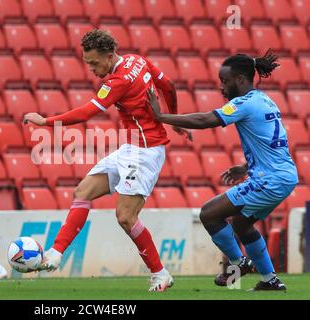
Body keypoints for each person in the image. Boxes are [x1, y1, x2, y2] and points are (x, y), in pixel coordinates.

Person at [23, 29, 192, 292]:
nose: (91, 68)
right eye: (86, 63)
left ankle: (160, 274)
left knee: (125, 216)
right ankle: (55, 253)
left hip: (146, 151)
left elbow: (87, 112)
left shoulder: (118, 81)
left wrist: (46, 122)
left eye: (93, 62)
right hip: (130, 147)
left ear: (110, 55)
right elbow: (167, 85)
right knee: (83, 191)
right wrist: (174, 118)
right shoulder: (138, 60)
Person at [147, 50, 298, 291]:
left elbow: (206, 120)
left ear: (240, 79)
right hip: (285, 176)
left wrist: (162, 116)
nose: (222, 87)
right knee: (241, 224)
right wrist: (246, 167)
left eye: (225, 81)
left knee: (209, 213)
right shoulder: (266, 100)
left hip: (270, 179)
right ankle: (270, 280)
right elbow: (272, 141)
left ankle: (237, 264)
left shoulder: (245, 103)